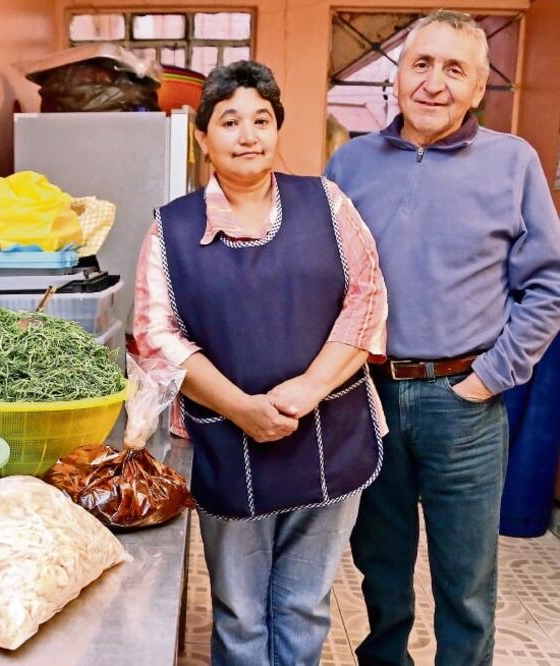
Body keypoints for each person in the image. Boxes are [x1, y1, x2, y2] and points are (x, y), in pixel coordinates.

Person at [134, 60, 388, 665]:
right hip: (226, 441)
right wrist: (241, 407)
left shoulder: (326, 203)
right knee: (240, 611)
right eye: (229, 121)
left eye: (261, 119)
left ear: (277, 129)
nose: (248, 135)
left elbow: (367, 298)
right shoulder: (171, 229)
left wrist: (309, 385)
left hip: (329, 430)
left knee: (304, 602)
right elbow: (155, 336)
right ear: (203, 139)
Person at [325, 10, 560, 666]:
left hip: (465, 402)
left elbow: (549, 286)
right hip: (366, 400)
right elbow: (323, 278)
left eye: (454, 69)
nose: (433, 83)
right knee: (380, 570)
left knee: (466, 584)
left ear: (479, 88)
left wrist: (490, 377)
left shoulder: (514, 163)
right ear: (398, 77)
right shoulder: (349, 163)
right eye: (420, 64)